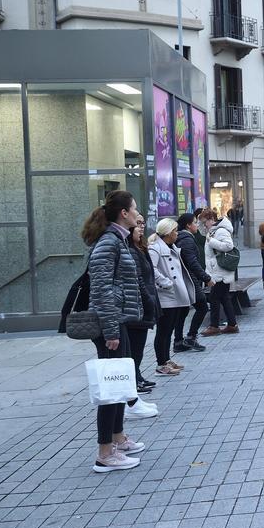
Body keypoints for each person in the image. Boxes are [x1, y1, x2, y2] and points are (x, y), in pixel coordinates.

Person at [81, 190, 147, 473]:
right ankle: (105, 453)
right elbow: (101, 290)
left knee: (120, 383)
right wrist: (110, 330)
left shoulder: (117, 240)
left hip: (118, 320)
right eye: (134, 209)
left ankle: (118, 438)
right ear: (123, 213)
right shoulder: (109, 242)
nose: (137, 213)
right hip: (110, 323)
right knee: (110, 387)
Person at [149, 218, 195, 376]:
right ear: (168, 233)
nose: (177, 234)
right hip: (165, 296)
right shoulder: (155, 249)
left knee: (168, 330)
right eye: (175, 231)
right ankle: (161, 364)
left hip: (174, 295)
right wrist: (165, 283)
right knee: (163, 331)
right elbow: (151, 270)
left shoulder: (171, 247)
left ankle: (166, 359)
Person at [125, 215, 161, 415]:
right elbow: (137, 280)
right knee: (133, 352)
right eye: (137, 223)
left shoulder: (140, 248)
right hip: (137, 308)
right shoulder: (128, 249)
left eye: (142, 224)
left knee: (136, 351)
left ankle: (133, 393)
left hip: (143, 305)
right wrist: (148, 300)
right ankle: (131, 398)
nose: (141, 227)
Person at [173, 212, 211, 352]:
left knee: (182, 311)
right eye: (195, 222)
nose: (197, 225)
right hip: (189, 279)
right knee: (202, 306)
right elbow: (192, 262)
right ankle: (191, 337)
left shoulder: (182, 237)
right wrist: (206, 278)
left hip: (184, 278)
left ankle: (178, 341)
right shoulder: (187, 239)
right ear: (188, 225)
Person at [201, 208, 240, 335]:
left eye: (205, 222)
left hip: (220, 271)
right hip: (217, 270)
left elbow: (229, 246)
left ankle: (214, 326)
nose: (204, 225)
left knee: (214, 297)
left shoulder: (221, 231)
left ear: (211, 220)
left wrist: (212, 242)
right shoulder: (212, 231)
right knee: (224, 298)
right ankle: (232, 324)